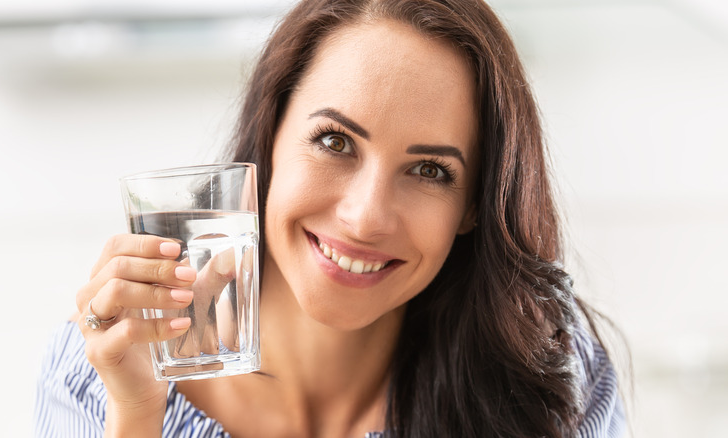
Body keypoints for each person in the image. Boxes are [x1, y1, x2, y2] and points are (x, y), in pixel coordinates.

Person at [35, 0, 625, 437]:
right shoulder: (103, 372)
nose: (365, 217)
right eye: (335, 141)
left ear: (473, 206)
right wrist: (137, 414)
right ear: (270, 137)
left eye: (430, 172)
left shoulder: (546, 372)